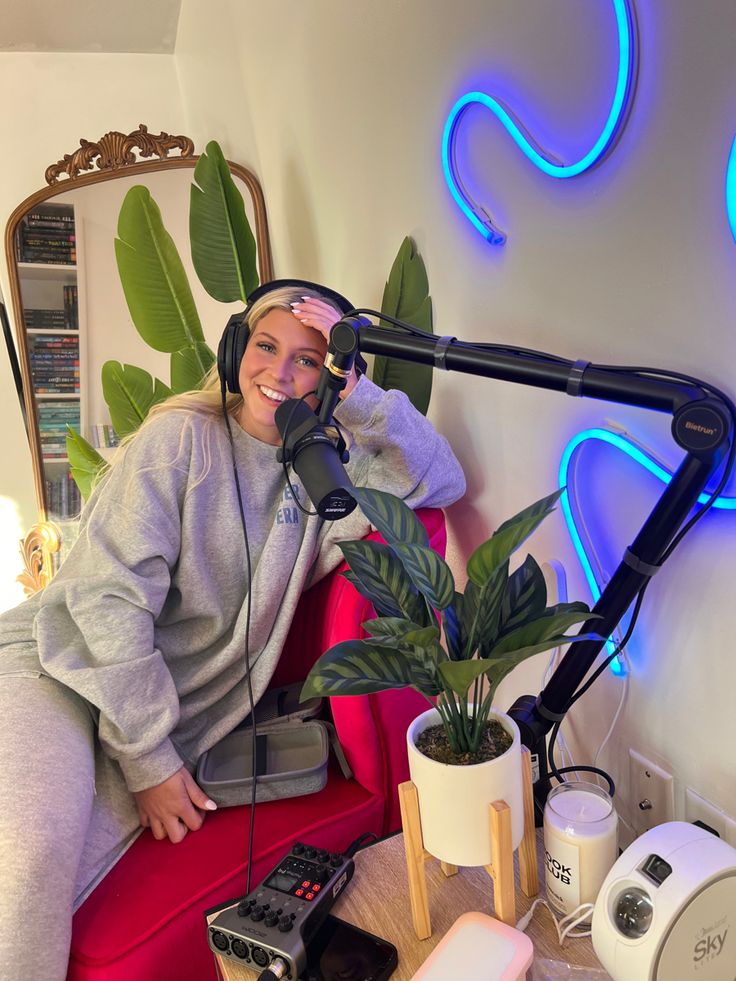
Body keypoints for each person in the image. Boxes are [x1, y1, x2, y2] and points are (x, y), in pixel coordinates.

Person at [0, 279, 465, 979]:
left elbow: (440, 478)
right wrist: (151, 757)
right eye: (267, 345)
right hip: (59, 669)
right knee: (27, 858)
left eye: (308, 359)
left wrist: (361, 392)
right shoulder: (178, 441)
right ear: (235, 349)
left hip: (162, 711)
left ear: (331, 377)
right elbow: (106, 602)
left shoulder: (323, 473)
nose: (278, 372)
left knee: (54, 881)